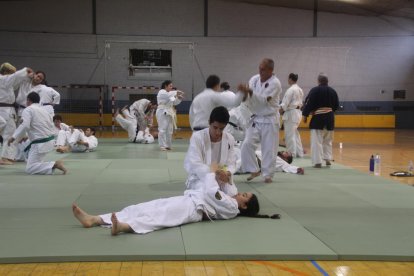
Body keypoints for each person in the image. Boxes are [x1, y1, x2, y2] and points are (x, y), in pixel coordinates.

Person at [72, 172, 260, 235]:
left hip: (193, 209)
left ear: (244, 206)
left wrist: (212, 172)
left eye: (244, 196)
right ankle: (96, 219)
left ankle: (123, 226)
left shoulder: (231, 208)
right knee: (144, 207)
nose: (239, 194)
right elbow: (230, 188)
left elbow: (212, 191)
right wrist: (227, 177)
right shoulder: (232, 199)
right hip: (187, 200)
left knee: (157, 217)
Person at [239, 58, 282, 183]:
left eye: (263, 69)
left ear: (271, 70)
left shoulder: (275, 83)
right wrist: (244, 94)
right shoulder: (254, 79)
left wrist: (249, 91)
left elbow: (264, 100)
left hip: (270, 119)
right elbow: (249, 97)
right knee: (246, 144)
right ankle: (254, 169)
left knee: (269, 149)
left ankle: (268, 175)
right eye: (259, 68)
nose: (260, 71)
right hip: (256, 117)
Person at [7, 92, 66, 174]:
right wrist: (25, 135)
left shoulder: (28, 109)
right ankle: (51, 165)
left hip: (40, 143)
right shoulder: (45, 111)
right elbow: (40, 126)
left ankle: (54, 164)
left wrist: (13, 137)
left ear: (28, 100)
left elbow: (25, 125)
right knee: (36, 162)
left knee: (30, 168)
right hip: (49, 141)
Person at [184, 106, 238, 196]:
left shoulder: (229, 139)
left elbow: (231, 163)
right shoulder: (197, 137)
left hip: (222, 177)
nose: (218, 132)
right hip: (200, 178)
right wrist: (215, 173)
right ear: (209, 122)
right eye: (215, 127)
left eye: (221, 129)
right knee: (209, 194)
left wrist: (227, 173)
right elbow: (196, 164)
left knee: (233, 194)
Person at [302, 73, 339, 168]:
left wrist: (305, 115)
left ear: (318, 81)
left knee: (316, 141)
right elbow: (336, 106)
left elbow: (308, 103)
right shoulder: (333, 91)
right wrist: (329, 111)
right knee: (328, 140)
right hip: (330, 118)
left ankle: (318, 161)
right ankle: (327, 159)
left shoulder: (315, 90)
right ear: (327, 81)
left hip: (318, 118)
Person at [0, 62, 33, 165]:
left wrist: (27, 78)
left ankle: (6, 156)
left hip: (9, 109)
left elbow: (16, 82)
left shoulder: (7, 82)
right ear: (5, 72)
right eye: (10, 73)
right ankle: (4, 157)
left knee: (10, 133)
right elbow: (15, 77)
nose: (11, 75)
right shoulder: (2, 79)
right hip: (2, 108)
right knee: (5, 130)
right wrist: (25, 70)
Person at [280, 73, 304, 158]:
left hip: (291, 113)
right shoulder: (300, 89)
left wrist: (279, 111)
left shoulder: (291, 90)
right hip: (298, 113)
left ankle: (291, 154)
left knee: (289, 135)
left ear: (290, 79)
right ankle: (299, 153)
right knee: (295, 134)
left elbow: (285, 103)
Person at [156, 80, 184, 151]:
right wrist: (176, 92)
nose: (171, 87)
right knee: (162, 129)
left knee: (169, 130)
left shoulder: (169, 94)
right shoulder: (162, 92)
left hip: (169, 112)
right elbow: (169, 95)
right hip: (162, 111)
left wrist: (179, 99)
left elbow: (173, 102)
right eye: (170, 86)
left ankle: (168, 145)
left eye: (172, 86)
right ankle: (162, 146)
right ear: (165, 86)